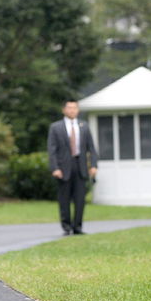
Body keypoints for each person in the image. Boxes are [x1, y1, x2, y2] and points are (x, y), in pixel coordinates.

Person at [47, 99, 97, 235]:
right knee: (64, 199)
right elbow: (52, 150)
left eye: (75, 108)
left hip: (80, 166)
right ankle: (66, 226)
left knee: (80, 199)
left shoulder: (84, 126)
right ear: (64, 110)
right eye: (69, 108)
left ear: (78, 110)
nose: (72, 110)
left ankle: (78, 227)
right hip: (64, 168)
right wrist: (55, 168)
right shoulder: (56, 127)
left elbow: (91, 148)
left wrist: (93, 165)